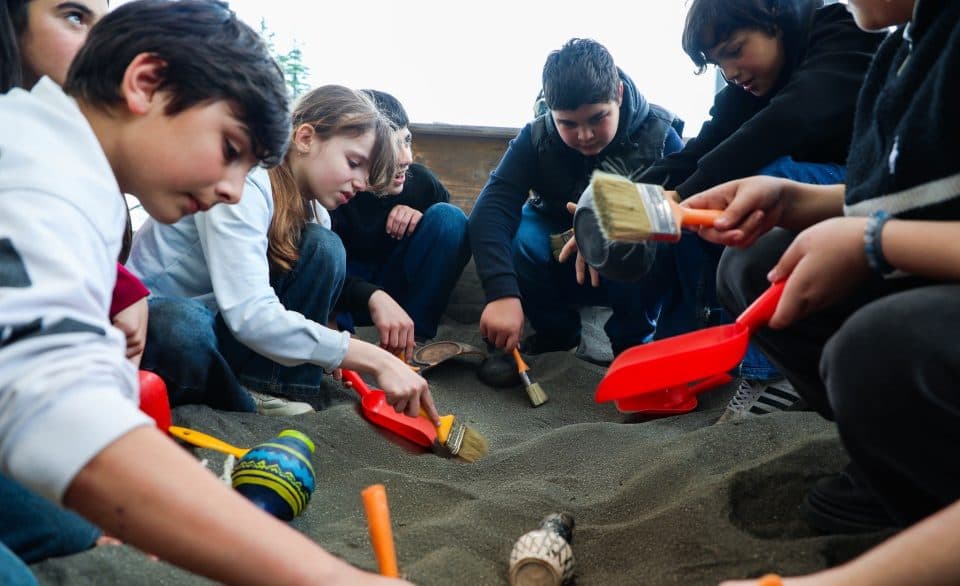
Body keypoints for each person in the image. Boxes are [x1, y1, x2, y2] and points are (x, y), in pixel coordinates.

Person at [0, 1, 410, 583]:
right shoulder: (37, 170)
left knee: (76, 526)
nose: (231, 189)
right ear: (147, 84)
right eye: (229, 150)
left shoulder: (79, 175)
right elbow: (57, 420)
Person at [685, 0, 959, 549]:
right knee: (751, 265)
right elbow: (902, 198)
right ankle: (893, 453)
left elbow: (888, 222)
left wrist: (873, 242)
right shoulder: (903, 51)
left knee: (873, 346)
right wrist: (791, 198)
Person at [129, 84, 440, 422]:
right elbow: (252, 315)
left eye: (367, 174)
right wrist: (372, 359)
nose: (361, 183)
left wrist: (330, 339)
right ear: (305, 138)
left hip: (223, 327)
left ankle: (271, 387)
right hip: (154, 321)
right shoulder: (246, 182)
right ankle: (240, 401)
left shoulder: (316, 212)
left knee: (324, 246)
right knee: (182, 326)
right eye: (354, 163)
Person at [637, 0, 885, 423]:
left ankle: (771, 376)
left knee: (751, 179)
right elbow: (703, 147)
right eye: (719, 63)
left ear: (774, 16)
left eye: (734, 50)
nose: (730, 72)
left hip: (871, 187)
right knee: (714, 206)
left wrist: (685, 197)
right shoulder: (751, 83)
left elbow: (790, 119)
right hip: (816, 193)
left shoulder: (840, 33)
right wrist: (630, 197)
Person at [0, 0, 148, 575]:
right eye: (72, 16)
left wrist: (122, 282)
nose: (99, 44)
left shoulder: (60, 143)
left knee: (71, 518)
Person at [468, 38, 684, 380]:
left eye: (598, 118)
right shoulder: (536, 136)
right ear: (551, 112)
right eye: (568, 124)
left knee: (635, 232)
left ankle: (632, 346)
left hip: (632, 274)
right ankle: (558, 335)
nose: (584, 135)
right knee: (522, 233)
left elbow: (685, 213)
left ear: (620, 94)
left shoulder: (661, 136)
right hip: (563, 264)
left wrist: (602, 229)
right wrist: (502, 295)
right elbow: (490, 209)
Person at [331, 90, 470, 345]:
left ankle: (414, 337)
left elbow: (450, 237)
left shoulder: (420, 183)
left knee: (448, 217)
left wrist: (421, 216)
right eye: (391, 145)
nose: (406, 158)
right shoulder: (334, 187)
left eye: (407, 141)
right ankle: (342, 334)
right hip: (345, 294)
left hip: (397, 292)